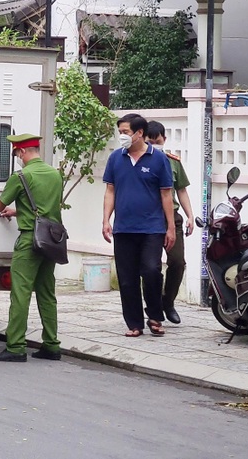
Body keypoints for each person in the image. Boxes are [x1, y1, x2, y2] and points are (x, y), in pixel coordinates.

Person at [0, 133, 63, 362]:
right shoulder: (55, 174)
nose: (16, 157)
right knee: (47, 293)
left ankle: (15, 347)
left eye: (16, 153)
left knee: (21, 293)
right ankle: (52, 345)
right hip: (51, 241)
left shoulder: (21, 176)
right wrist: (19, 210)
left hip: (29, 241)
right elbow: (45, 207)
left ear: (22, 152)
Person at [102, 114, 175, 338]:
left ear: (139, 133)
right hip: (124, 228)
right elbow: (110, 191)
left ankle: (155, 315)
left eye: (126, 132)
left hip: (152, 227)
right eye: (121, 132)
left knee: (152, 270)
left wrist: (170, 226)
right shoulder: (116, 158)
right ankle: (134, 323)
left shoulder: (159, 159)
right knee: (127, 277)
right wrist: (106, 220)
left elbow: (166, 194)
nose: (122, 136)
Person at [146, 121, 194, 325]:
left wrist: (190, 215)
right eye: (150, 142)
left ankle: (168, 302)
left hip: (172, 217)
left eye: (157, 142)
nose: (154, 145)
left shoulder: (172, 162)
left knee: (177, 262)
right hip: (150, 218)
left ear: (164, 140)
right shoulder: (140, 161)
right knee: (151, 267)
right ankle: (154, 305)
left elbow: (181, 190)